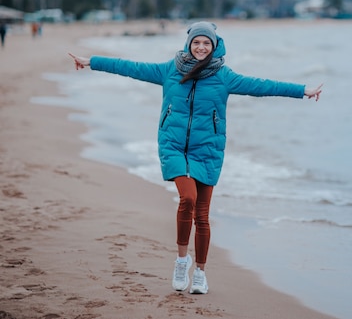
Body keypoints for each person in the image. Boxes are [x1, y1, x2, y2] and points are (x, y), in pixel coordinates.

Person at [69, 22, 322, 295]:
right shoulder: (170, 70)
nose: (201, 47)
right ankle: (181, 261)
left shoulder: (224, 77)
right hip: (173, 145)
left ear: (214, 46)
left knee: (202, 216)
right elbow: (130, 67)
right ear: (189, 43)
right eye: (197, 42)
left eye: (207, 43)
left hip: (208, 150)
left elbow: (262, 86)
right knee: (187, 199)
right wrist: (91, 62)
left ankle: (200, 272)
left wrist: (302, 90)